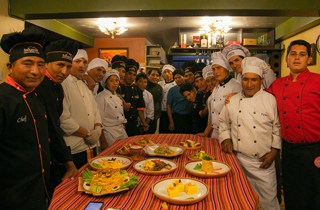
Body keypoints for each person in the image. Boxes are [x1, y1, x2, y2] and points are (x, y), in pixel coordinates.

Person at [219, 57, 282, 210]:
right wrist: (226, 138)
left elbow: (277, 128)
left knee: (268, 203)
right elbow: (223, 122)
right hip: (238, 161)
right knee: (240, 201)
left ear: (261, 81)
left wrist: (274, 151)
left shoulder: (270, 100)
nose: (249, 84)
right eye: (245, 79)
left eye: (254, 80)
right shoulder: (232, 101)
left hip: (263, 163)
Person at [0, 26, 50, 209]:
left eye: (40, 64)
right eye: (27, 63)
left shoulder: (35, 95)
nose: (35, 71)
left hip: (39, 190)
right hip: (11, 197)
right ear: (10, 67)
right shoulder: (3, 98)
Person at [267, 40, 320, 210]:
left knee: (315, 196)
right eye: (293, 54)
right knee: (291, 193)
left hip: (315, 150)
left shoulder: (318, 81)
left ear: (309, 59)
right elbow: (258, 102)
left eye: (302, 54)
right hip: (288, 150)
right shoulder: (277, 84)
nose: (297, 58)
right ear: (286, 59)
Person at [36, 39, 79, 196]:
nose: (64, 71)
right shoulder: (42, 86)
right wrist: (69, 163)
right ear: (47, 64)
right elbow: (53, 126)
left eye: (68, 66)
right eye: (60, 65)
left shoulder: (57, 86)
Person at [60, 49, 102, 169]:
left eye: (84, 62)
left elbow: (95, 110)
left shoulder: (83, 84)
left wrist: (98, 129)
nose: (81, 65)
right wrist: (88, 134)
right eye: (77, 61)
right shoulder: (63, 85)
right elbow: (64, 119)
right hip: (74, 148)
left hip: (91, 146)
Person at [198, 52, 241, 138]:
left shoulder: (236, 86)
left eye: (219, 68)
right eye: (214, 69)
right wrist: (206, 133)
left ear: (226, 69)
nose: (216, 72)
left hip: (230, 135)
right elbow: (214, 113)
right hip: (215, 133)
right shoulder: (217, 87)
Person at [95, 70, 128, 146]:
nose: (115, 83)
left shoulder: (117, 96)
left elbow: (122, 116)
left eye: (116, 80)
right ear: (105, 83)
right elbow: (99, 122)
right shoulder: (101, 98)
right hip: (109, 133)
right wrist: (103, 141)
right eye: (111, 81)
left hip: (121, 132)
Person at [117, 58, 147, 136]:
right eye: (129, 73)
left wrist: (144, 123)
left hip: (134, 123)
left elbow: (140, 108)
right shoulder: (118, 87)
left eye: (134, 75)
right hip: (120, 124)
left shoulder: (137, 89)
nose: (132, 77)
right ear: (125, 73)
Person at [167, 69, 192, 134]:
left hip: (190, 116)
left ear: (184, 77)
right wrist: (171, 121)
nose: (177, 79)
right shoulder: (172, 90)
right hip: (177, 117)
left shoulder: (190, 87)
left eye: (179, 77)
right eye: (175, 78)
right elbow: (168, 106)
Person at [159, 64, 176, 133]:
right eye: (165, 72)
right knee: (163, 130)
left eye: (169, 72)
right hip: (162, 112)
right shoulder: (160, 84)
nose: (167, 74)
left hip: (172, 111)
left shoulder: (175, 84)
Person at [146, 68, 162, 133]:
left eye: (157, 75)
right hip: (144, 116)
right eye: (153, 75)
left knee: (152, 133)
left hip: (154, 116)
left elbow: (160, 101)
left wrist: (158, 114)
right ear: (148, 75)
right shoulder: (144, 85)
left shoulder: (159, 87)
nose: (155, 77)